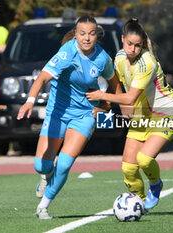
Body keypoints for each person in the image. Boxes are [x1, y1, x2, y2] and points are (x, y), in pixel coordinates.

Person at [17, 15, 114, 220]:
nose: (87, 38)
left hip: (85, 114)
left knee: (64, 164)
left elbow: (114, 83)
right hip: (58, 112)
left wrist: (106, 103)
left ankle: (43, 207)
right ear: (76, 34)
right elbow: (42, 77)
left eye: (91, 33)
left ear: (97, 34)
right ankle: (45, 175)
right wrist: (30, 101)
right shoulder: (67, 52)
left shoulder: (103, 57)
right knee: (41, 165)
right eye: (82, 33)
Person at [86, 18, 173, 211]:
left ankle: (155, 185)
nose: (133, 49)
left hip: (167, 114)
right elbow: (119, 87)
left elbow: (130, 98)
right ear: (122, 39)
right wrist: (107, 105)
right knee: (129, 169)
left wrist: (100, 96)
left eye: (138, 46)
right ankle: (137, 202)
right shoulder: (120, 58)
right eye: (129, 44)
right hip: (142, 116)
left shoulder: (147, 63)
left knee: (144, 160)